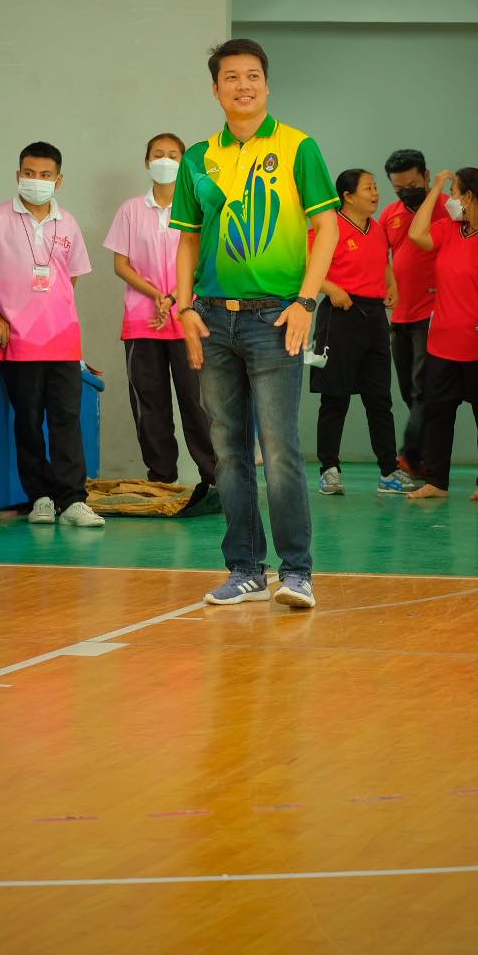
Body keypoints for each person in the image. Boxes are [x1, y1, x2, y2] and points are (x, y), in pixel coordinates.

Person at [173, 39, 339, 609]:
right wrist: (185, 308)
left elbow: (328, 228)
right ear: (215, 89)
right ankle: (245, 569)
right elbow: (187, 240)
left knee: (281, 449)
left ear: (267, 84)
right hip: (213, 319)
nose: (242, 86)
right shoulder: (198, 158)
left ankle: (297, 573)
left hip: (276, 318)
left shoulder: (298, 147)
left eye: (252, 76)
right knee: (227, 452)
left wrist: (306, 302)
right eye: (231, 77)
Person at [0, 141, 103, 528]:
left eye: (45, 175)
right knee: (28, 423)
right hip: (18, 343)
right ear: (18, 175)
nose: (36, 181)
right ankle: (40, 498)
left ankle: (74, 501)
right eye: (29, 173)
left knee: (67, 421)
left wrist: (53, 313)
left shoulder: (68, 223)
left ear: (59, 180)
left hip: (63, 341)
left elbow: (69, 279)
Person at [103, 132, 216, 492]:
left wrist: (174, 298)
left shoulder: (198, 208)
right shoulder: (131, 210)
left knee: (198, 402)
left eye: (173, 155)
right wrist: (156, 295)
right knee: (150, 405)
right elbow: (121, 264)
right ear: (147, 161)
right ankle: (162, 478)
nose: (164, 161)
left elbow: (204, 261)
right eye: (157, 154)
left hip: (189, 318)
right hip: (143, 321)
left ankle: (214, 478)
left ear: (184, 164)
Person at [403, 168, 478, 501]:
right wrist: (435, 189)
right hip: (442, 343)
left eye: (454, 193)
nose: (451, 200)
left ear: (469, 196)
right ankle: (436, 481)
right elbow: (417, 233)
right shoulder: (448, 228)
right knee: (438, 413)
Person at [311, 169, 409, 496]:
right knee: (335, 398)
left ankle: (389, 471)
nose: (376, 193)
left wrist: (392, 286)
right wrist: (332, 290)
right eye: (368, 188)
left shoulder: (378, 229)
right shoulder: (329, 227)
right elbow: (306, 267)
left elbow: (384, 264)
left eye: (376, 187)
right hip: (339, 315)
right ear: (348, 196)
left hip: (375, 318)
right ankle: (329, 470)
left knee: (379, 398)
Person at [378, 148, 441, 480]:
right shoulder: (390, 214)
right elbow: (381, 257)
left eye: (413, 185)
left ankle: (409, 454)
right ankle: (426, 460)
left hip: (432, 314)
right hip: (400, 316)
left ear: (426, 176)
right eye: (399, 188)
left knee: (422, 389)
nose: (406, 193)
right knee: (408, 392)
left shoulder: (447, 208)